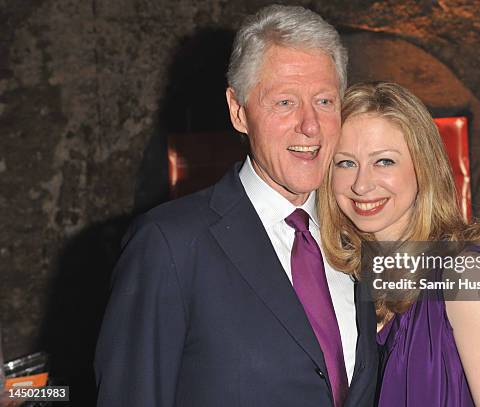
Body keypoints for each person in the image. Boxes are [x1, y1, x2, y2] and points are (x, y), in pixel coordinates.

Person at [94, 6, 378, 407]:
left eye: (325, 101)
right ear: (238, 111)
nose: (310, 125)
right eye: (284, 102)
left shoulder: (358, 239)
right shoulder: (170, 244)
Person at [318, 82, 480, 406]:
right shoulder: (354, 285)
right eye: (345, 163)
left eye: (384, 162)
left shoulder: (469, 279)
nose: (361, 184)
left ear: (424, 167)